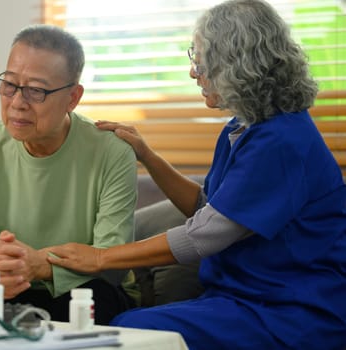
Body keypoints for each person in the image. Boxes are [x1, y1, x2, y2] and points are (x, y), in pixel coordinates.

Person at [44, 0, 346, 349]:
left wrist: (100, 257)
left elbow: (206, 234)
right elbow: (209, 208)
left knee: (132, 331)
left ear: (237, 67)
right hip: (244, 299)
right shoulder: (245, 127)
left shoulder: (282, 142)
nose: (193, 73)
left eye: (201, 62)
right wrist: (148, 155)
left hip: (293, 311)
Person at [0, 24, 138, 325]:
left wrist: (40, 265)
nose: (17, 103)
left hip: (81, 289)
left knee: (96, 299)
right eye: (9, 85)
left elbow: (112, 258)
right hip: (8, 287)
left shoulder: (112, 151)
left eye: (36, 91)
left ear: (73, 98)